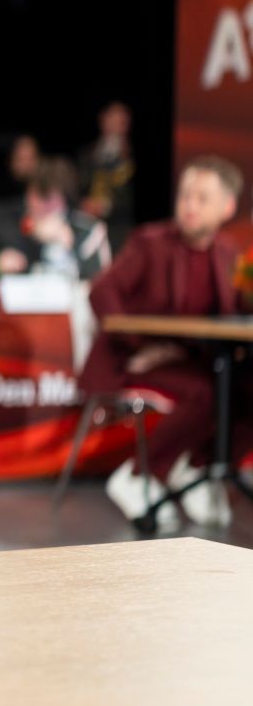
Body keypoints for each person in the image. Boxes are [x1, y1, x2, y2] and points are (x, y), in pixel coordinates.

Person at [80, 156, 250, 527]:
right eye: (186, 195)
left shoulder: (226, 253)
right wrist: (140, 345)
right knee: (207, 391)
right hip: (132, 359)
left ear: (228, 207)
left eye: (202, 198)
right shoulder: (150, 243)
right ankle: (142, 474)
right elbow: (102, 292)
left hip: (188, 360)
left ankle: (197, 468)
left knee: (245, 389)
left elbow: (235, 309)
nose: (190, 205)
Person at [0, 156, 111, 279]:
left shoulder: (87, 230)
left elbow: (99, 284)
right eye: (36, 195)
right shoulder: (9, 224)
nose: (42, 206)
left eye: (48, 198)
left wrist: (67, 246)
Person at [78, 101, 136, 254]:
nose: (117, 127)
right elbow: (79, 186)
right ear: (103, 121)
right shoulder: (87, 154)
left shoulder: (131, 157)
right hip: (87, 224)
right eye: (113, 121)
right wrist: (85, 203)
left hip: (118, 229)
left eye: (122, 123)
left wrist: (105, 207)